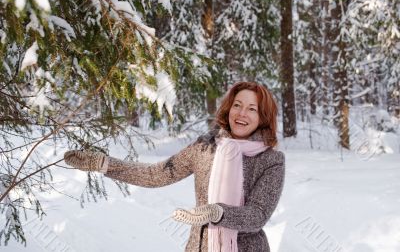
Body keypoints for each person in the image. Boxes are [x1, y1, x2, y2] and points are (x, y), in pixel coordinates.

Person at [64, 81, 285, 252]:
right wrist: (106, 164)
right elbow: (157, 174)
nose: (241, 113)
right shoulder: (206, 147)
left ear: (263, 117)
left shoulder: (271, 160)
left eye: (251, 108)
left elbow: (258, 215)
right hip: (199, 247)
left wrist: (216, 212)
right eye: (237, 105)